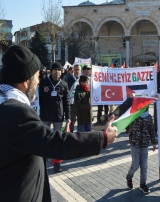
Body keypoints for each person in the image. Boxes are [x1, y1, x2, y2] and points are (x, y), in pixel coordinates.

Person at [0, 45, 117, 202]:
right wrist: (101, 137)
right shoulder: (17, 112)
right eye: (37, 76)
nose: (38, 81)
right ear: (26, 81)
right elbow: (55, 142)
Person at [39, 62, 71, 173]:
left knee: (57, 140)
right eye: (55, 69)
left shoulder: (64, 84)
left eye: (59, 70)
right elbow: (39, 100)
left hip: (59, 116)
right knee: (45, 139)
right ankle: (42, 161)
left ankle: (56, 163)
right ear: (51, 71)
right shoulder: (43, 83)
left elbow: (66, 102)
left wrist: (68, 117)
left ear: (61, 71)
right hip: (45, 116)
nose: (57, 72)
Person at [126, 105, 157, 194]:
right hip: (134, 145)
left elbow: (152, 130)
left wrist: (154, 142)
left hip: (144, 145)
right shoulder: (134, 115)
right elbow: (127, 124)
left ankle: (143, 184)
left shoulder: (149, 117)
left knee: (144, 166)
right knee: (135, 165)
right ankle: (129, 177)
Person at [66, 64, 81, 132]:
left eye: (78, 70)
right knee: (72, 122)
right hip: (72, 104)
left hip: (81, 104)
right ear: (73, 70)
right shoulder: (69, 80)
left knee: (81, 122)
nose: (77, 71)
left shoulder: (83, 80)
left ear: (80, 71)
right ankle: (71, 136)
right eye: (76, 69)